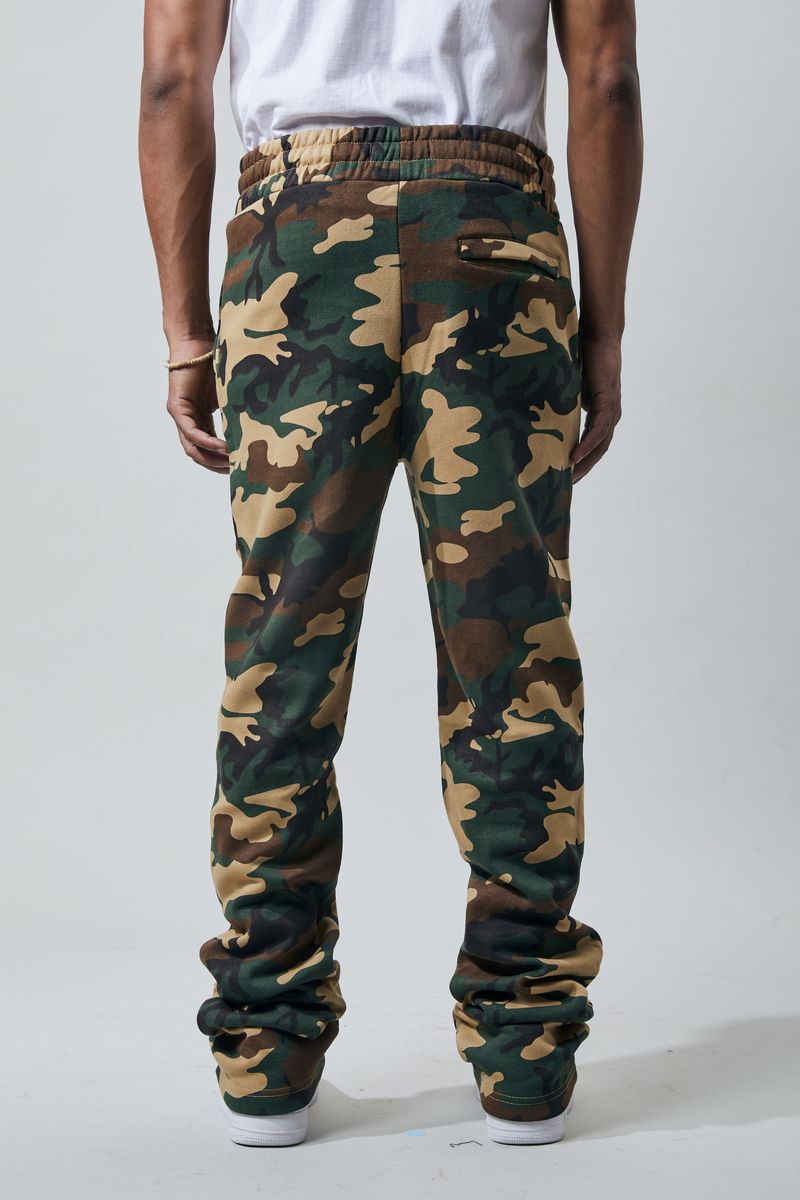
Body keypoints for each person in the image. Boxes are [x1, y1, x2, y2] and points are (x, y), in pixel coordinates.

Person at [139, 0, 642, 1149]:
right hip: (493, 235)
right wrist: (603, 330)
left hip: (296, 238)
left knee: (281, 657)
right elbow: (604, 74)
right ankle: (523, 1054)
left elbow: (173, 78)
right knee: (510, 658)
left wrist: (184, 334)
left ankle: (264, 1055)